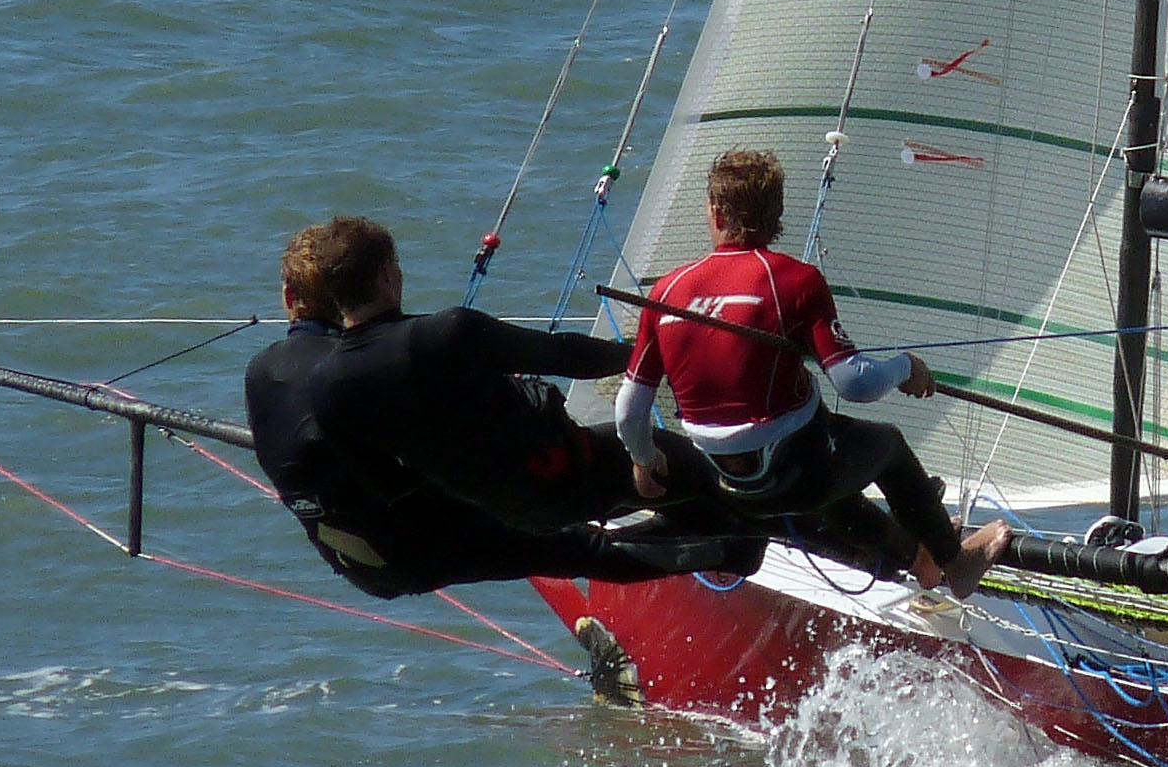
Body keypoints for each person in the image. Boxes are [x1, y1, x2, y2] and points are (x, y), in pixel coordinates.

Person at [247, 220, 759, 601]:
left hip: (465, 519)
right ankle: (750, 535)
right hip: (552, 475)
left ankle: (724, 544)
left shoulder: (323, 382)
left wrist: (451, 468)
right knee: (663, 466)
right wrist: (649, 356)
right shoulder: (446, 332)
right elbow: (565, 356)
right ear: (387, 274)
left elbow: (386, 483)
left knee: (580, 544)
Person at [615, 149, 1010, 597]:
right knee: (887, 447)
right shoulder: (796, 280)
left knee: (837, 470)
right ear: (777, 214)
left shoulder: (666, 290)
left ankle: (918, 559)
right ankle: (955, 561)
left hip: (725, 482)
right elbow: (855, 383)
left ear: (717, 212)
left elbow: (629, 412)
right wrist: (906, 367)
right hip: (797, 473)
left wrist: (643, 461)